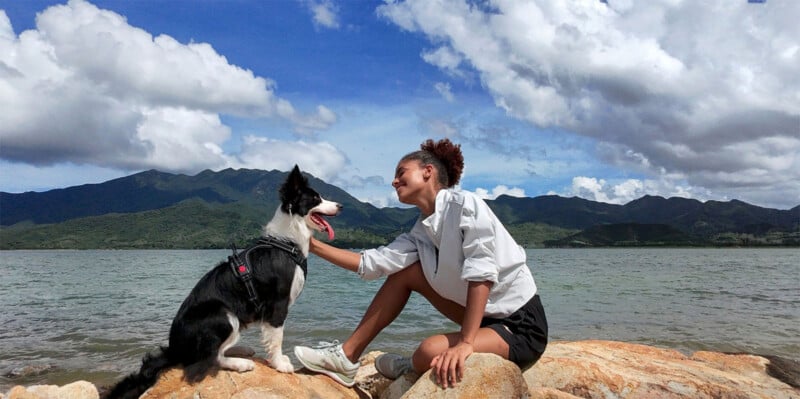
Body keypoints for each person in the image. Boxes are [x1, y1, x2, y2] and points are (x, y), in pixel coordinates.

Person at [294, 138, 547, 388]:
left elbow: (481, 273)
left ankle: (411, 365)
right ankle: (347, 357)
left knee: (428, 351)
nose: (394, 181)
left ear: (428, 172)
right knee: (406, 272)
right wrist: (312, 245)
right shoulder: (420, 232)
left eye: (401, 172)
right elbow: (372, 263)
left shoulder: (465, 205)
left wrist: (466, 343)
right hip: (485, 318)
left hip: (520, 326)